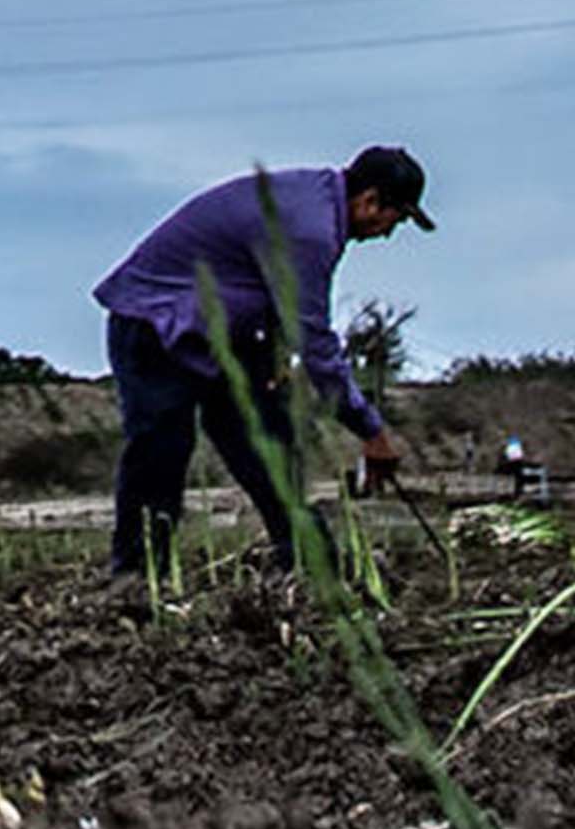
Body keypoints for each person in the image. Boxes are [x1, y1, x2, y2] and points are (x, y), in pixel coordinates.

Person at [94, 146, 429, 591]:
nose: (388, 233)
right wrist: (371, 432)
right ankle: (135, 580)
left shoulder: (317, 204)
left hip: (221, 335)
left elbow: (264, 289)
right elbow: (314, 341)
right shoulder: (311, 227)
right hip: (156, 324)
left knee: (267, 446)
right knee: (161, 449)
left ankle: (315, 570)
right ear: (370, 202)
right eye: (395, 219)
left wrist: (271, 358)